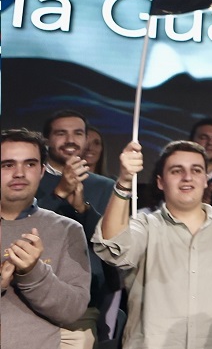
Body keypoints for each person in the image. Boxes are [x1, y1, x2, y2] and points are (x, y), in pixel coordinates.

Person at [94, 140, 212, 348]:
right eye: (176, 170)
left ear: (206, 180)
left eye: (196, 170)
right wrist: (124, 181)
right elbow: (111, 246)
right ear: (161, 182)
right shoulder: (144, 226)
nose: (187, 177)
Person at [0, 128, 91, 349]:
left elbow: (72, 311)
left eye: (30, 164)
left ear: (42, 171)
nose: (20, 173)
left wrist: (32, 272)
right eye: (8, 165)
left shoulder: (67, 229)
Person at [36, 110, 118, 346]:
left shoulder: (105, 187)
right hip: (27, 302)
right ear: (47, 140)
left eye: (78, 133)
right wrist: (59, 192)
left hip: (82, 308)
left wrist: (83, 209)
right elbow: (25, 229)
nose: (70, 140)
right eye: (61, 133)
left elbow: (109, 243)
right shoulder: (29, 180)